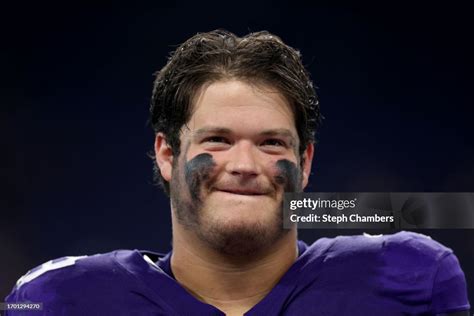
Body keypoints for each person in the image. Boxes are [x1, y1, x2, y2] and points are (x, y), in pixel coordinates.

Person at [5, 30, 470, 316]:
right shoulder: (54, 300)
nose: (245, 166)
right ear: (167, 154)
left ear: (304, 163)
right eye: (217, 140)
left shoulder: (413, 278)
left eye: (272, 143)